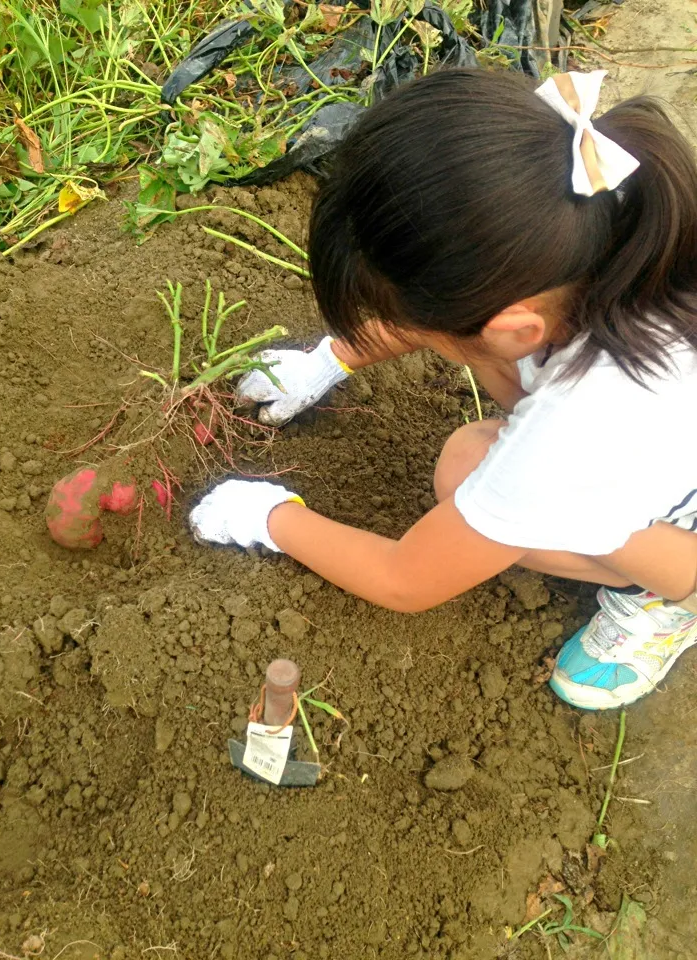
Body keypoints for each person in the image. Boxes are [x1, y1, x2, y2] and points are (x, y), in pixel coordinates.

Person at [190, 68, 697, 712]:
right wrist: (332, 360)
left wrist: (266, 517)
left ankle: (665, 600)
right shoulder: (607, 204)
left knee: (467, 469)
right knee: (483, 426)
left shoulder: (578, 426)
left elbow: (406, 580)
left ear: (517, 325)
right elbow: (465, 320)